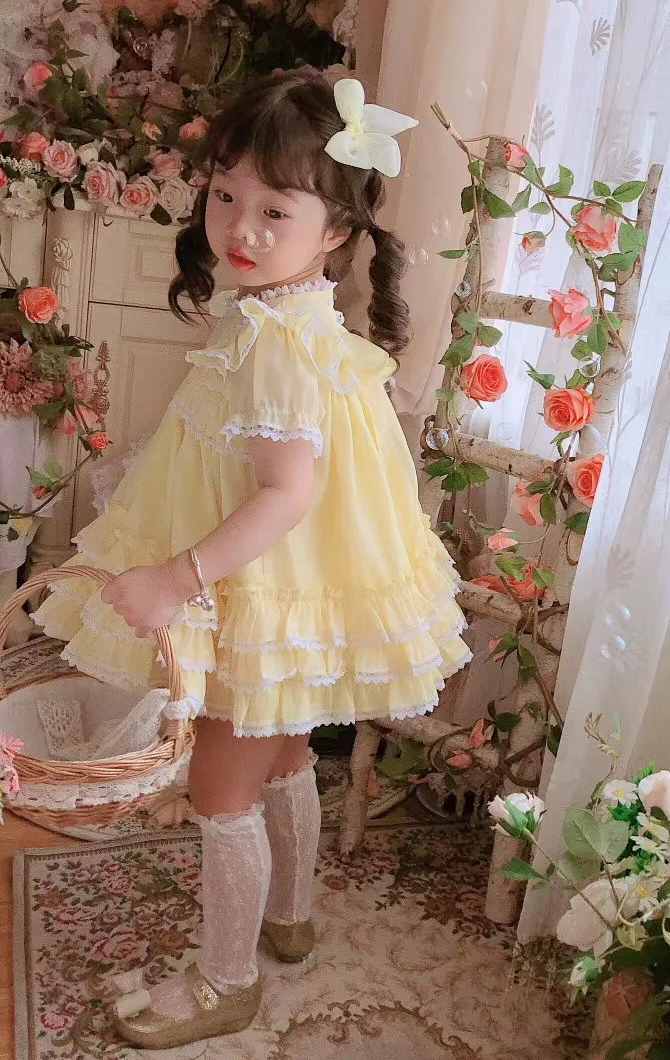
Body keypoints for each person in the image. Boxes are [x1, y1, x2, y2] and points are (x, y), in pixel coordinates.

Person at [34, 70, 470, 1049]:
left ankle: (226, 981)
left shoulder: (275, 338)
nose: (241, 227)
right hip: (299, 583)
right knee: (285, 754)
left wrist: (173, 578)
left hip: (253, 588)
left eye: (276, 210)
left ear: (335, 231)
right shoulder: (294, 318)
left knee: (218, 790)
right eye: (226, 194)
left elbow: (286, 492)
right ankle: (290, 919)